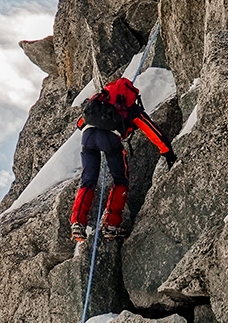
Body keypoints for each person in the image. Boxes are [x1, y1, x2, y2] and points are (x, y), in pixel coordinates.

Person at [72, 75, 175, 243]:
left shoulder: (100, 98)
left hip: (88, 137)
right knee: (120, 180)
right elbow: (151, 130)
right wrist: (167, 152)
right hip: (111, 139)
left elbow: (80, 123)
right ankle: (111, 224)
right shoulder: (130, 107)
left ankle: (78, 222)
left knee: (88, 180)